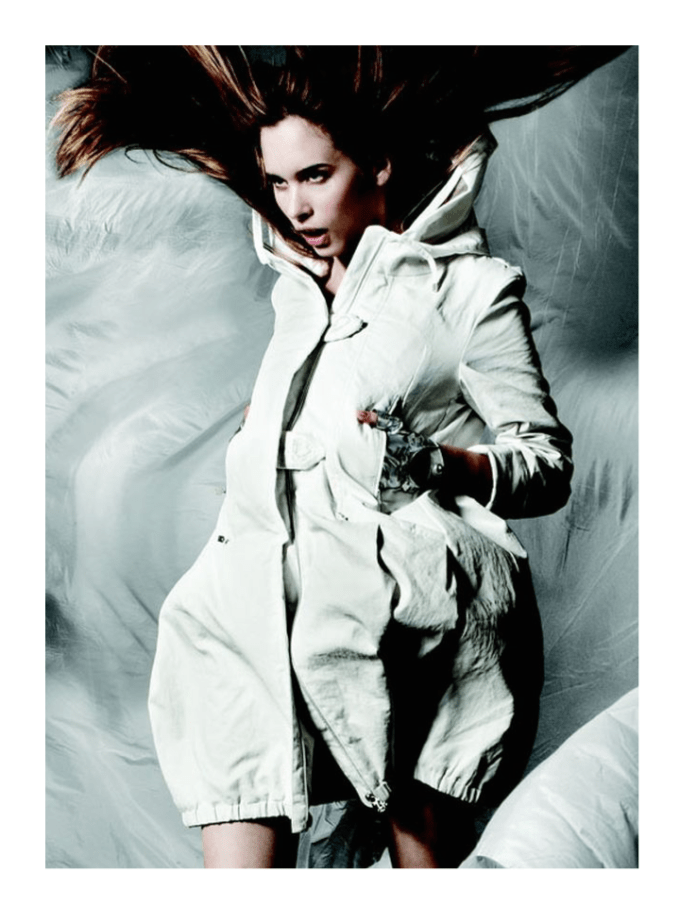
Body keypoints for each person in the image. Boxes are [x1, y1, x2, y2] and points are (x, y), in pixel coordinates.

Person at [52, 45, 625, 868]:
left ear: (379, 163)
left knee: (422, 865)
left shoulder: (466, 289)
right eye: (278, 182)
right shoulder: (295, 295)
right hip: (249, 613)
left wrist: (440, 463)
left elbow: (546, 465)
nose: (294, 205)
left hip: (410, 625)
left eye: (315, 176)